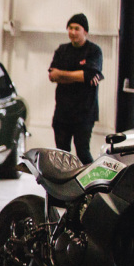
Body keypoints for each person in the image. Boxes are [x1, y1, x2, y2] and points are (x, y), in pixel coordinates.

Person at [48, 13, 103, 165]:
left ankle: (90, 179)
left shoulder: (93, 51)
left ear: (85, 31)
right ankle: (64, 180)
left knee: (82, 152)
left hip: (84, 113)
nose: (72, 32)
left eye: (76, 29)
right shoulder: (62, 50)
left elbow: (89, 75)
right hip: (62, 112)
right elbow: (52, 76)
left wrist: (62, 75)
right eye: (70, 28)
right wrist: (79, 76)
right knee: (62, 154)